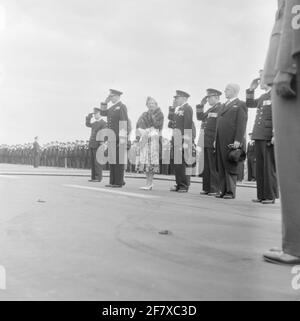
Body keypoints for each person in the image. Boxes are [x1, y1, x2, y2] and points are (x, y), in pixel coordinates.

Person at [262, 0, 300, 265]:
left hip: (291, 71)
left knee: (292, 163)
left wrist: (286, 66)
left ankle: (295, 245)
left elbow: (295, 19)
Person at [246, 71, 278, 204]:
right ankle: (261, 195)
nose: (260, 81)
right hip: (259, 135)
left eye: (261, 78)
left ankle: (270, 196)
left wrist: (275, 134)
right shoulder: (263, 96)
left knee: (268, 167)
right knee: (260, 167)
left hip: (267, 135)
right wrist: (251, 89)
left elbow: (278, 115)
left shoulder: (275, 94)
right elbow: (249, 103)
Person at [215, 84, 248, 199]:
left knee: (230, 165)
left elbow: (241, 123)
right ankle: (222, 190)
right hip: (220, 139)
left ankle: (230, 191)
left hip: (231, 140)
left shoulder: (240, 104)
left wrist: (238, 140)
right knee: (221, 164)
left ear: (234, 91)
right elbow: (218, 124)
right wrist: (216, 139)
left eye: (227, 89)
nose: (225, 91)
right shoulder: (223, 105)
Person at [100, 89, 129, 188]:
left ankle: (119, 182)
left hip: (118, 138)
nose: (111, 98)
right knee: (112, 160)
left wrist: (122, 140)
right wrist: (105, 102)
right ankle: (112, 181)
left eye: (112, 96)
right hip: (111, 137)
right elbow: (103, 113)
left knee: (118, 161)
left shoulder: (121, 106)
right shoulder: (112, 108)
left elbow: (124, 123)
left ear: (117, 96)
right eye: (110, 96)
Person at [196, 88, 222, 196]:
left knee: (212, 166)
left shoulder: (220, 108)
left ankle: (214, 188)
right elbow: (200, 117)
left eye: (209, 97)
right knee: (206, 166)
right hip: (205, 140)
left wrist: (216, 140)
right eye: (207, 98)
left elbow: (218, 126)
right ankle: (206, 187)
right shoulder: (210, 109)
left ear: (216, 97)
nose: (208, 100)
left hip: (212, 140)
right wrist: (201, 106)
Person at [136, 97, 164, 190]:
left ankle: (150, 183)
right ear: (147, 105)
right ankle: (148, 183)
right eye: (149, 103)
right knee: (146, 162)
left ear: (156, 104)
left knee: (151, 162)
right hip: (145, 139)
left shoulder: (160, 114)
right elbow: (139, 124)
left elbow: (158, 125)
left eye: (153, 103)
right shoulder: (144, 114)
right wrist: (139, 136)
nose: (151, 105)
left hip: (154, 139)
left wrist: (148, 128)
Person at [168, 90, 193, 193]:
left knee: (183, 164)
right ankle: (179, 183)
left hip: (183, 139)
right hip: (176, 139)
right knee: (177, 164)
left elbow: (188, 125)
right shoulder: (178, 109)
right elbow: (171, 121)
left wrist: (186, 141)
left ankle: (184, 185)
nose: (175, 100)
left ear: (184, 98)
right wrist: (172, 108)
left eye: (177, 98)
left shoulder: (188, 108)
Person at [85, 107, 107, 182]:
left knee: (97, 162)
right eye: (94, 114)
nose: (94, 115)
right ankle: (94, 177)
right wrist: (89, 117)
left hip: (98, 144)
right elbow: (87, 124)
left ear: (100, 114)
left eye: (96, 114)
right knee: (93, 161)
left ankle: (98, 177)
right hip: (92, 144)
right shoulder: (94, 123)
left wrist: (101, 144)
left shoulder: (103, 123)